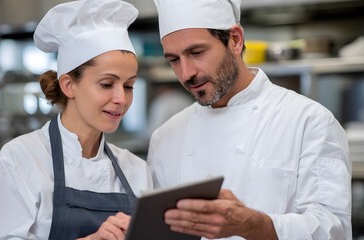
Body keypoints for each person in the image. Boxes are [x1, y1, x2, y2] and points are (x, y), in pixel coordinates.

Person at [147, 0, 352, 239]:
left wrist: (253, 225)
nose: (186, 73)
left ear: (235, 40)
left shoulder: (308, 121)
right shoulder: (165, 137)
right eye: (173, 59)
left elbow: (333, 230)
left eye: (196, 52)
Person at [0, 0, 153, 239]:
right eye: (107, 84)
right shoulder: (20, 159)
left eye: (129, 86)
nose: (121, 99)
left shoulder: (136, 170)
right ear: (68, 85)